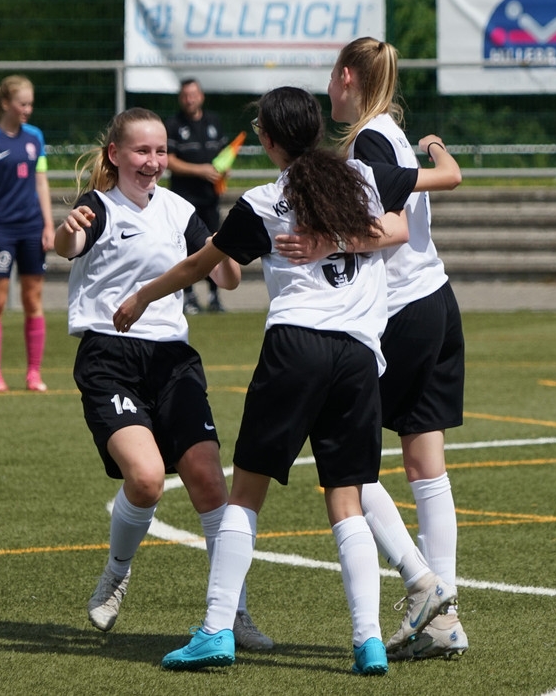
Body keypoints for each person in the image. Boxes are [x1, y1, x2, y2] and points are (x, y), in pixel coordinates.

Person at [113, 87, 460, 675]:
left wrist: (143, 296)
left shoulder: (265, 199)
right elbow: (407, 219)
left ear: (269, 141)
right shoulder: (362, 179)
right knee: (346, 498)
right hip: (357, 357)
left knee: (246, 493)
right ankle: (368, 642)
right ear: (317, 130)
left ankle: (217, 628)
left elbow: (202, 266)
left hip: (295, 348)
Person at [54, 107, 273, 651]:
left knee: (208, 482)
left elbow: (228, 276)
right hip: (110, 359)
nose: (152, 162)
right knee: (148, 478)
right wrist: (66, 230)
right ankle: (117, 572)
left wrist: (225, 251)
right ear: (115, 155)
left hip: (172, 361)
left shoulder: (179, 209)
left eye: (159, 151)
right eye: (141, 151)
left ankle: (232, 612)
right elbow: (67, 247)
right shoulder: (96, 207)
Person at [318, 36, 468, 661]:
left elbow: (389, 226)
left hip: (403, 310)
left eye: (331, 76)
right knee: (424, 460)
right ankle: (444, 616)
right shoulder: (392, 134)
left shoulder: (372, 140)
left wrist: (322, 236)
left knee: (344, 456)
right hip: (437, 299)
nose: (328, 88)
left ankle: (424, 587)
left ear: (347, 76)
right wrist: (435, 148)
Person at [0, 75, 55, 393]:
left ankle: (34, 373)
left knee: (34, 299)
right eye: (22, 103)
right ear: (6, 104)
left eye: (30, 104)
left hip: (32, 227)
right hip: (0, 229)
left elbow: (41, 181)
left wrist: (48, 225)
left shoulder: (35, 137)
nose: (27, 110)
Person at [165, 78, 228, 315]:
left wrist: (224, 170)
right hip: (184, 199)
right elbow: (169, 161)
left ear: (201, 96)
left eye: (193, 94)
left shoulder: (214, 122)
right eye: (185, 95)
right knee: (185, 248)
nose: (190, 99)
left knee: (214, 245)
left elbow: (224, 154)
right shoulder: (173, 124)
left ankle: (214, 296)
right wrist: (200, 170)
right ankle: (188, 296)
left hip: (210, 198)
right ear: (181, 99)